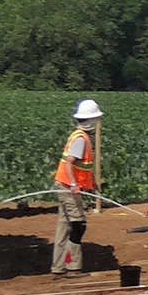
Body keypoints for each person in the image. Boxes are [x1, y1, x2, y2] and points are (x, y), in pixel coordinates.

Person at [50, 99, 103, 277]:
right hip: (67, 187)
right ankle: (73, 267)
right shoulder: (81, 139)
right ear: (90, 121)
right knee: (78, 225)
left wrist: (92, 182)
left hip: (64, 184)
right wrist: (73, 184)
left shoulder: (79, 136)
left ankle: (58, 267)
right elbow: (69, 163)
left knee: (64, 227)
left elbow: (83, 166)